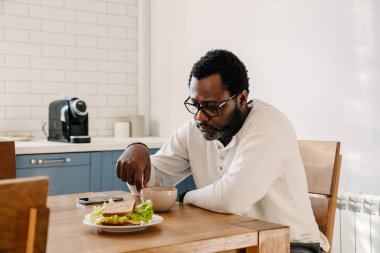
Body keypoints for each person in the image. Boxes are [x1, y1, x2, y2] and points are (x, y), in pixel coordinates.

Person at [116, 49, 329, 253]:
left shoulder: (270, 126)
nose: (200, 116)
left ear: (242, 99)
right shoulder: (197, 128)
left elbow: (231, 199)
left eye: (211, 106)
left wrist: (185, 197)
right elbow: (153, 183)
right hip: (230, 239)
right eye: (195, 105)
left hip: (290, 244)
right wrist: (137, 150)